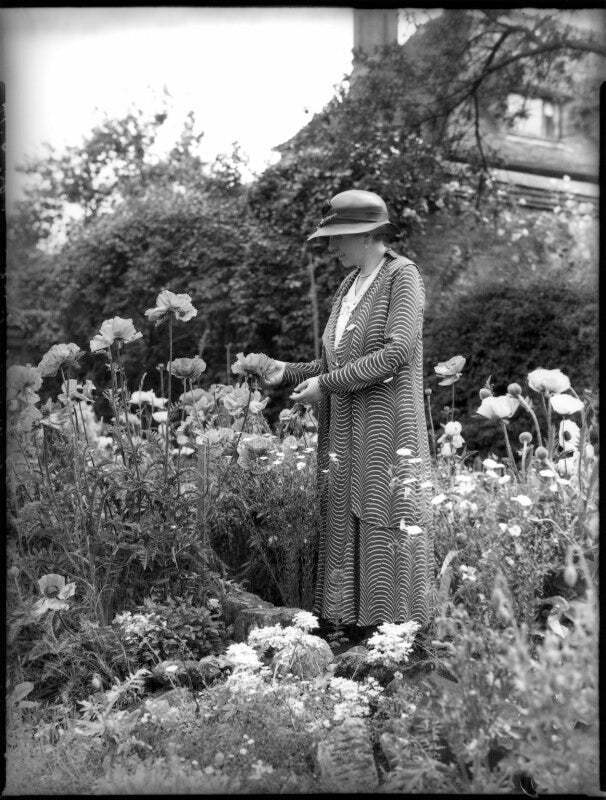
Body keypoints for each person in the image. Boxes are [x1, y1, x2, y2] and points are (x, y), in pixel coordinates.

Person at [265, 189, 434, 638]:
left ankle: (397, 636)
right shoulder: (348, 285)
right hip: (344, 429)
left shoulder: (402, 276)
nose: (330, 247)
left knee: (385, 514)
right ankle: (350, 633)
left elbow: (397, 352)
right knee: (344, 516)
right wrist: (284, 373)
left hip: (386, 428)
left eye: (336, 237)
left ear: (365, 234)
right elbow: (333, 365)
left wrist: (326, 384)